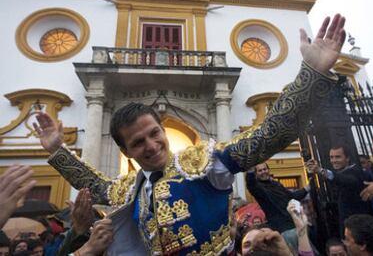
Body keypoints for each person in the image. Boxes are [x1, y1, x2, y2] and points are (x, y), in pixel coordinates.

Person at [34, 14, 346, 255]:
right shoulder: (129, 187)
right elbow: (95, 186)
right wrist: (58, 151)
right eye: (138, 142)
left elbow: (268, 136)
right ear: (126, 151)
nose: (152, 145)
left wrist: (312, 75)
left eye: (154, 133)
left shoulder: (204, 162)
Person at [305, 145, 370, 235]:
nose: (334, 160)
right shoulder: (339, 172)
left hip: (359, 226)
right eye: (331, 157)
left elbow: (343, 179)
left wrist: (320, 170)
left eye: (338, 157)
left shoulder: (355, 172)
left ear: (347, 158)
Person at [245, 163, 310, 248]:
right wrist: (250, 170)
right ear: (256, 174)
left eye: (265, 169)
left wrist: (307, 188)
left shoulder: (276, 184)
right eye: (260, 170)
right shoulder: (258, 188)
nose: (263, 172)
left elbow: (292, 197)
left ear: (268, 170)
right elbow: (251, 184)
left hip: (295, 224)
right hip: (284, 230)